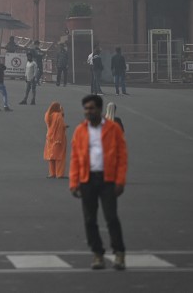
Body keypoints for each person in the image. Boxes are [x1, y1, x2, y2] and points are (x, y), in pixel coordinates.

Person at [70, 94, 127, 271]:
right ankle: (97, 254)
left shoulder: (113, 129)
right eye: (86, 108)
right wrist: (74, 182)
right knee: (89, 220)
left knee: (111, 218)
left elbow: (122, 156)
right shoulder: (80, 130)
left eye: (91, 108)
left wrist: (120, 181)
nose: (88, 111)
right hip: (87, 179)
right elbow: (75, 158)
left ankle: (119, 253)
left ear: (100, 110)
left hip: (107, 179)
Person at [44, 102, 67, 178]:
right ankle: (59, 174)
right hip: (58, 138)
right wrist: (59, 139)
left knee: (51, 156)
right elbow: (60, 127)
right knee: (60, 156)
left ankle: (52, 173)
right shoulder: (59, 116)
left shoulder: (48, 115)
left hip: (49, 138)